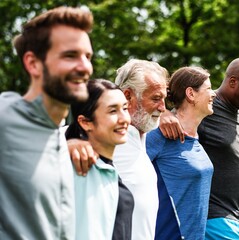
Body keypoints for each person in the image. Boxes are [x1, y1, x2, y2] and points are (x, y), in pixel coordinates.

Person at [0, 6, 93, 239]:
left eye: (88, 56)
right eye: (70, 55)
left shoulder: (59, 137)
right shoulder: (4, 118)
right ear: (33, 63)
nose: (85, 67)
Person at [159, 58, 239, 239]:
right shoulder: (207, 107)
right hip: (213, 219)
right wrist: (163, 112)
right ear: (233, 82)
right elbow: (180, 106)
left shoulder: (238, 112)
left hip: (236, 219)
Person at [68, 59, 169, 240]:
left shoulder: (139, 139)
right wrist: (66, 145)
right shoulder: (105, 140)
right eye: (156, 98)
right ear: (128, 95)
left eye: (164, 99)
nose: (163, 108)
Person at [146, 66, 216, 239]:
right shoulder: (159, 136)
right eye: (208, 89)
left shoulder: (196, 138)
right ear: (191, 94)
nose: (214, 94)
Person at [65, 79, 133, 240]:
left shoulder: (108, 168)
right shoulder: (77, 169)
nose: (124, 119)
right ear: (85, 122)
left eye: (125, 108)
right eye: (112, 111)